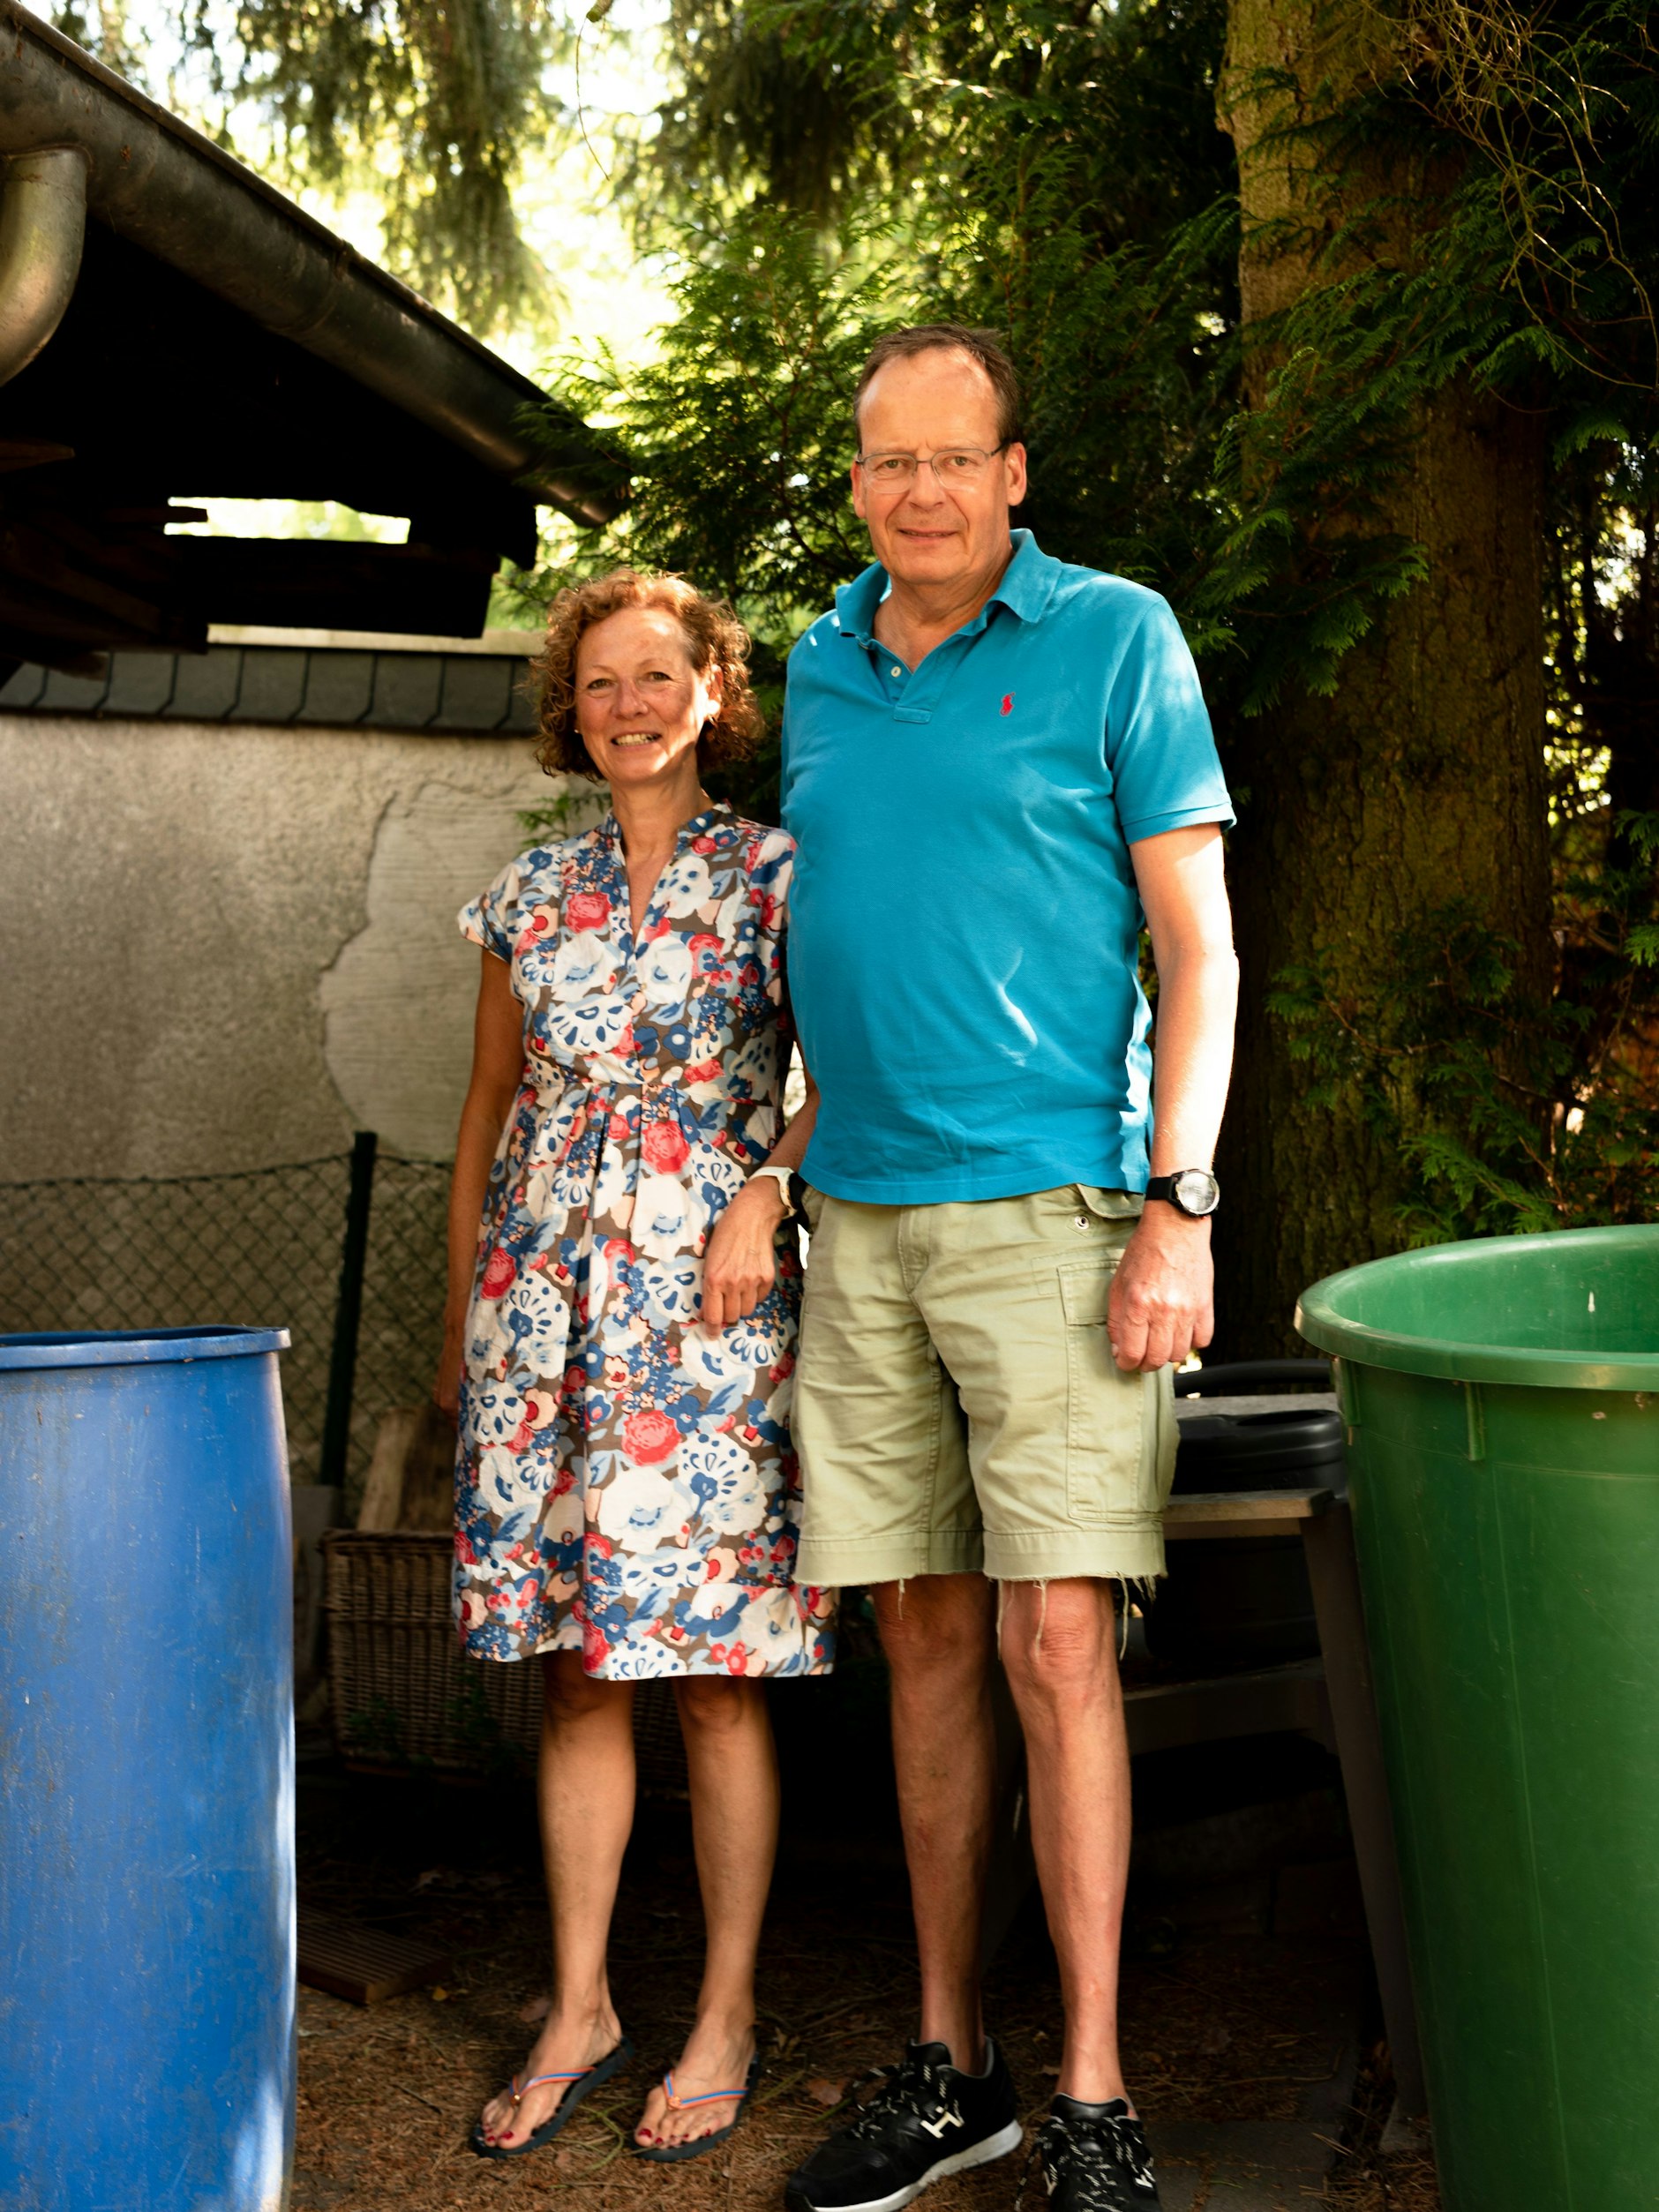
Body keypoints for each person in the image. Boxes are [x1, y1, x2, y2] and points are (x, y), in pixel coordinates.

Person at [779, 327, 1238, 2212]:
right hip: (859, 1226)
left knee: (1062, 1645)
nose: (919, 493)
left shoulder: (1114, 637)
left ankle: (1095, 2093)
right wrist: (774, 1168)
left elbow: (1197, 951)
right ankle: (949, 2059)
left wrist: (1178, 1205)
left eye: (953, 460)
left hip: (1061, 1212)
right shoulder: (808, 665)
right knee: (922, 1639)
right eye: (888, 461)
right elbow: (807, 957)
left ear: (1015, 471)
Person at [436, 568, 834, 2167]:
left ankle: (727, 2011)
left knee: (718, 1685)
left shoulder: (780, 873)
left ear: (712, 694)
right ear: (570, 711)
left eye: (657, 675)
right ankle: (582, 2002)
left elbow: (838, 1074)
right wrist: (472, 1313)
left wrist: (768, 1183)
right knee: (580, 1670)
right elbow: (485, 1109)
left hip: (713, 1315)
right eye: (599, 683)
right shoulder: (527, 893)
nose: (628, 705)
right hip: (544, 1308)